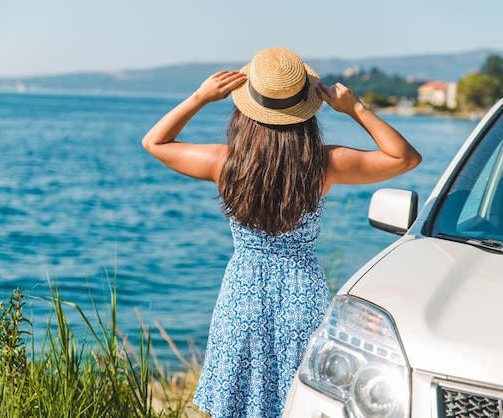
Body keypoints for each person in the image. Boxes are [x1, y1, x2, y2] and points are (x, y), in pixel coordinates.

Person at [142, 47, 421, 418]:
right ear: (305, 110)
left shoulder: (223, 162)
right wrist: (355, 108)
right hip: (301, 292)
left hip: (242, 293)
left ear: (246, 108)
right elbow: (404, 157)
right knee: (296, 401)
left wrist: (200, 98)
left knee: (237, 402)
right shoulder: (323, 163)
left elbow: (154, 142)